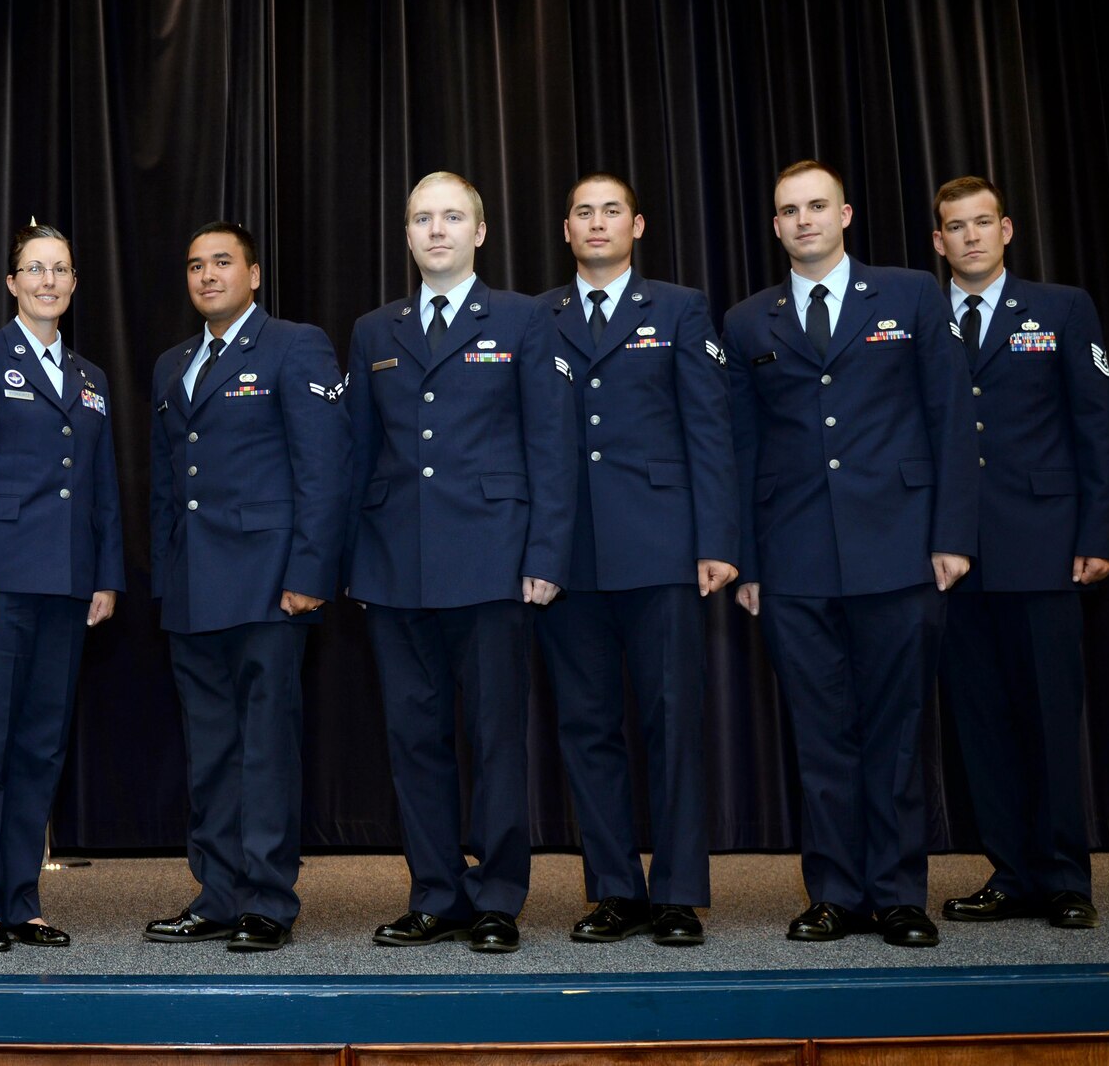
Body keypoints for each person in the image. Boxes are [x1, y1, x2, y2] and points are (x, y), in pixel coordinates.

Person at [724, 160, 978, 948]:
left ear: (846, 214)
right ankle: (834, 891)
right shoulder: (747, 321)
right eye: (788, 210)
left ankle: (899, 893)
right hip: (792, 559)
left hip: (899, 549)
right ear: (774, 226)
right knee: (821, 734)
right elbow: (738, 448)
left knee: (898, 728)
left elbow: (951, 419)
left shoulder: (907, 294)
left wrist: (952, 537)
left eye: (817, 206)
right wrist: (747, 564)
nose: (803, 220)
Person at [345, 171, 575, 954]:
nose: (435, 230)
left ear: (480, 232)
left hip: (494, 560)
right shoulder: (375, 330)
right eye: (421, 218)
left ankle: (498, 898)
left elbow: (552, 442)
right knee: (414, 740)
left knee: (495, 735)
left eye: (451, 217)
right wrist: (350, 563)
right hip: (394, 565)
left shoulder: (522, 318)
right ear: (406, 234)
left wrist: (547, 551)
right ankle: (436, 893)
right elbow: (358, 454)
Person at [537, 175, 736, 947]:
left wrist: (718, 540)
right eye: (582, 211)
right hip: (569, 557)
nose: (596, 222)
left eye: (610, 210)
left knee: (671, 724)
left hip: (662, 549)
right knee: (587, 728)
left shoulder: (679, 309)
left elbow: (709, 429)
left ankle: (679, 891)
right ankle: (616, 889)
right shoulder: (540, 318)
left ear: (637, 224)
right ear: (566, 228)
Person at [142, 222, 351, 953]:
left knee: (265, 746)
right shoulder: (174, 364)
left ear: (254, 275)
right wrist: (165, 582)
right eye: (195, 265)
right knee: (211, 749)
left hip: (269, 586)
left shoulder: (295, 346)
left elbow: (323, 472)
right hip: (194, 590)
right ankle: (218, 892)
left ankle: (267, 897)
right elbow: (168, 488)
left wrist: (309, 575)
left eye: (222, 263)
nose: (206, 276)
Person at [929, 175, 1109, 930]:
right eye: (956, 226)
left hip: (1044, 548)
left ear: (1007, 230)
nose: (971, 237)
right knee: (980, 724)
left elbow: (1094, 427)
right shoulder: (918, 317)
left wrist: (1098, 533)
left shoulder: (1063, 308)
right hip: (955, 558)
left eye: (983, 223)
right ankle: (1009, 872)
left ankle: (1067, 876)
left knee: (1049, 717)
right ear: (938, 241)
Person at [0, 221, 122, 952]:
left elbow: (102, 487)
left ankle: (23, 898)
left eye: (61, 270)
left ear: (75, 285)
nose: (48, 281)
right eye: (34, 269)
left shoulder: (91, 378)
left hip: (67, 586)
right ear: (12, 283)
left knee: (41, 749)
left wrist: (105, 576)